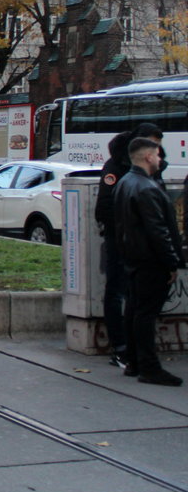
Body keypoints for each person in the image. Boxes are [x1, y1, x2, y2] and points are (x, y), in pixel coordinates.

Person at [114, 136, 185, 386]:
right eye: (157, 155)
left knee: (134, 310)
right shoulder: (147, 187)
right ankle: (148, 367)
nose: (160, 159)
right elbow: (159, 230)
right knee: (145, 313)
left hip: (134, 258)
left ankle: (134, 361)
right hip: (151, 261)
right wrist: (172, 262)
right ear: (147, 157)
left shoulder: (126, 182)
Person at [95, 129, 134, 367]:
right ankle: (120, 346)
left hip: (129, 241)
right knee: (117, 291)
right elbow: (105, 208)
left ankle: (126, 345)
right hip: (120, 240)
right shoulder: (115, 170)